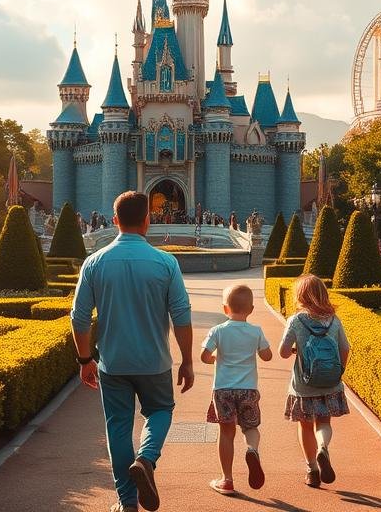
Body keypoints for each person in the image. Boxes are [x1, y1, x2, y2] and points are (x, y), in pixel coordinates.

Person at [71, 191, 195, 512]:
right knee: (160, 411)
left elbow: (79, 317)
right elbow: (181, 316)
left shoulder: (94, 263)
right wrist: (188, 360)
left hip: (112, 364)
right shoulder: (166, 263)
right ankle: (147, 459)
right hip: (154, 362)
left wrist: (85, 360)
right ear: (147, 221)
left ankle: (127, 503)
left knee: (118, 428)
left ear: (114, 221)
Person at [279, 274, 351, 489]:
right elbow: (345, 348)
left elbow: (283, 352)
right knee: (324, 422)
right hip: (329, 382)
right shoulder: (333, 319)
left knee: (305, 425)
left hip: (303, 385)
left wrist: (295, 349)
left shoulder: (296, 320)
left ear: (300, 295)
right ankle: (323, 447)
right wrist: (339, 371)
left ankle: (312, 470)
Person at [200, 284, 272, 496]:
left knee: (226, 433)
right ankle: (252, 450)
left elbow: (204, 356)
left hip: (223, 390)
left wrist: (215, 358)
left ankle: (227, 480)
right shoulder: (255, 331)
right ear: (251, 309)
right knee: (250, 428)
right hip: (248, 389)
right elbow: (267, 356)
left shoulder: (218, 331)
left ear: (225, 309)